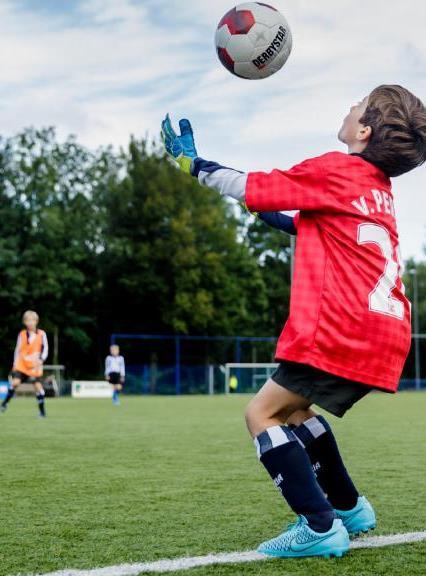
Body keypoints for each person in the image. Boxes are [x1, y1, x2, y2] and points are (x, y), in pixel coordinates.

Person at [162, 84, 426, 558]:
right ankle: (350, 507)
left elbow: (252, 186)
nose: (349, 106)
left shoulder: (337, 167)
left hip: (342, 328)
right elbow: (309, 223)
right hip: (385, 334)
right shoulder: (377, 191)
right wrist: (267, 211)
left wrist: (194, 166)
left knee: (261, 414)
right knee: (298, 411)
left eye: (359, 105)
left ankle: (319, 526)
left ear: (363, 130)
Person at [0, 310, 49, 418]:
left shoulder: (42, 334)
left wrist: (41, 359)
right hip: (22, 366)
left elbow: (45, 348)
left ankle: (42, 412)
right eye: (28, 320)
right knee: (15, 383)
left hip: (35, 366)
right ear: (24, 322)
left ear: (36, 321)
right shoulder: (22, 334)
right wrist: (14, 363)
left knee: (38, 387)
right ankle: (5, 403)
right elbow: (17, 350)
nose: (30, 323)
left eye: (32, 320)